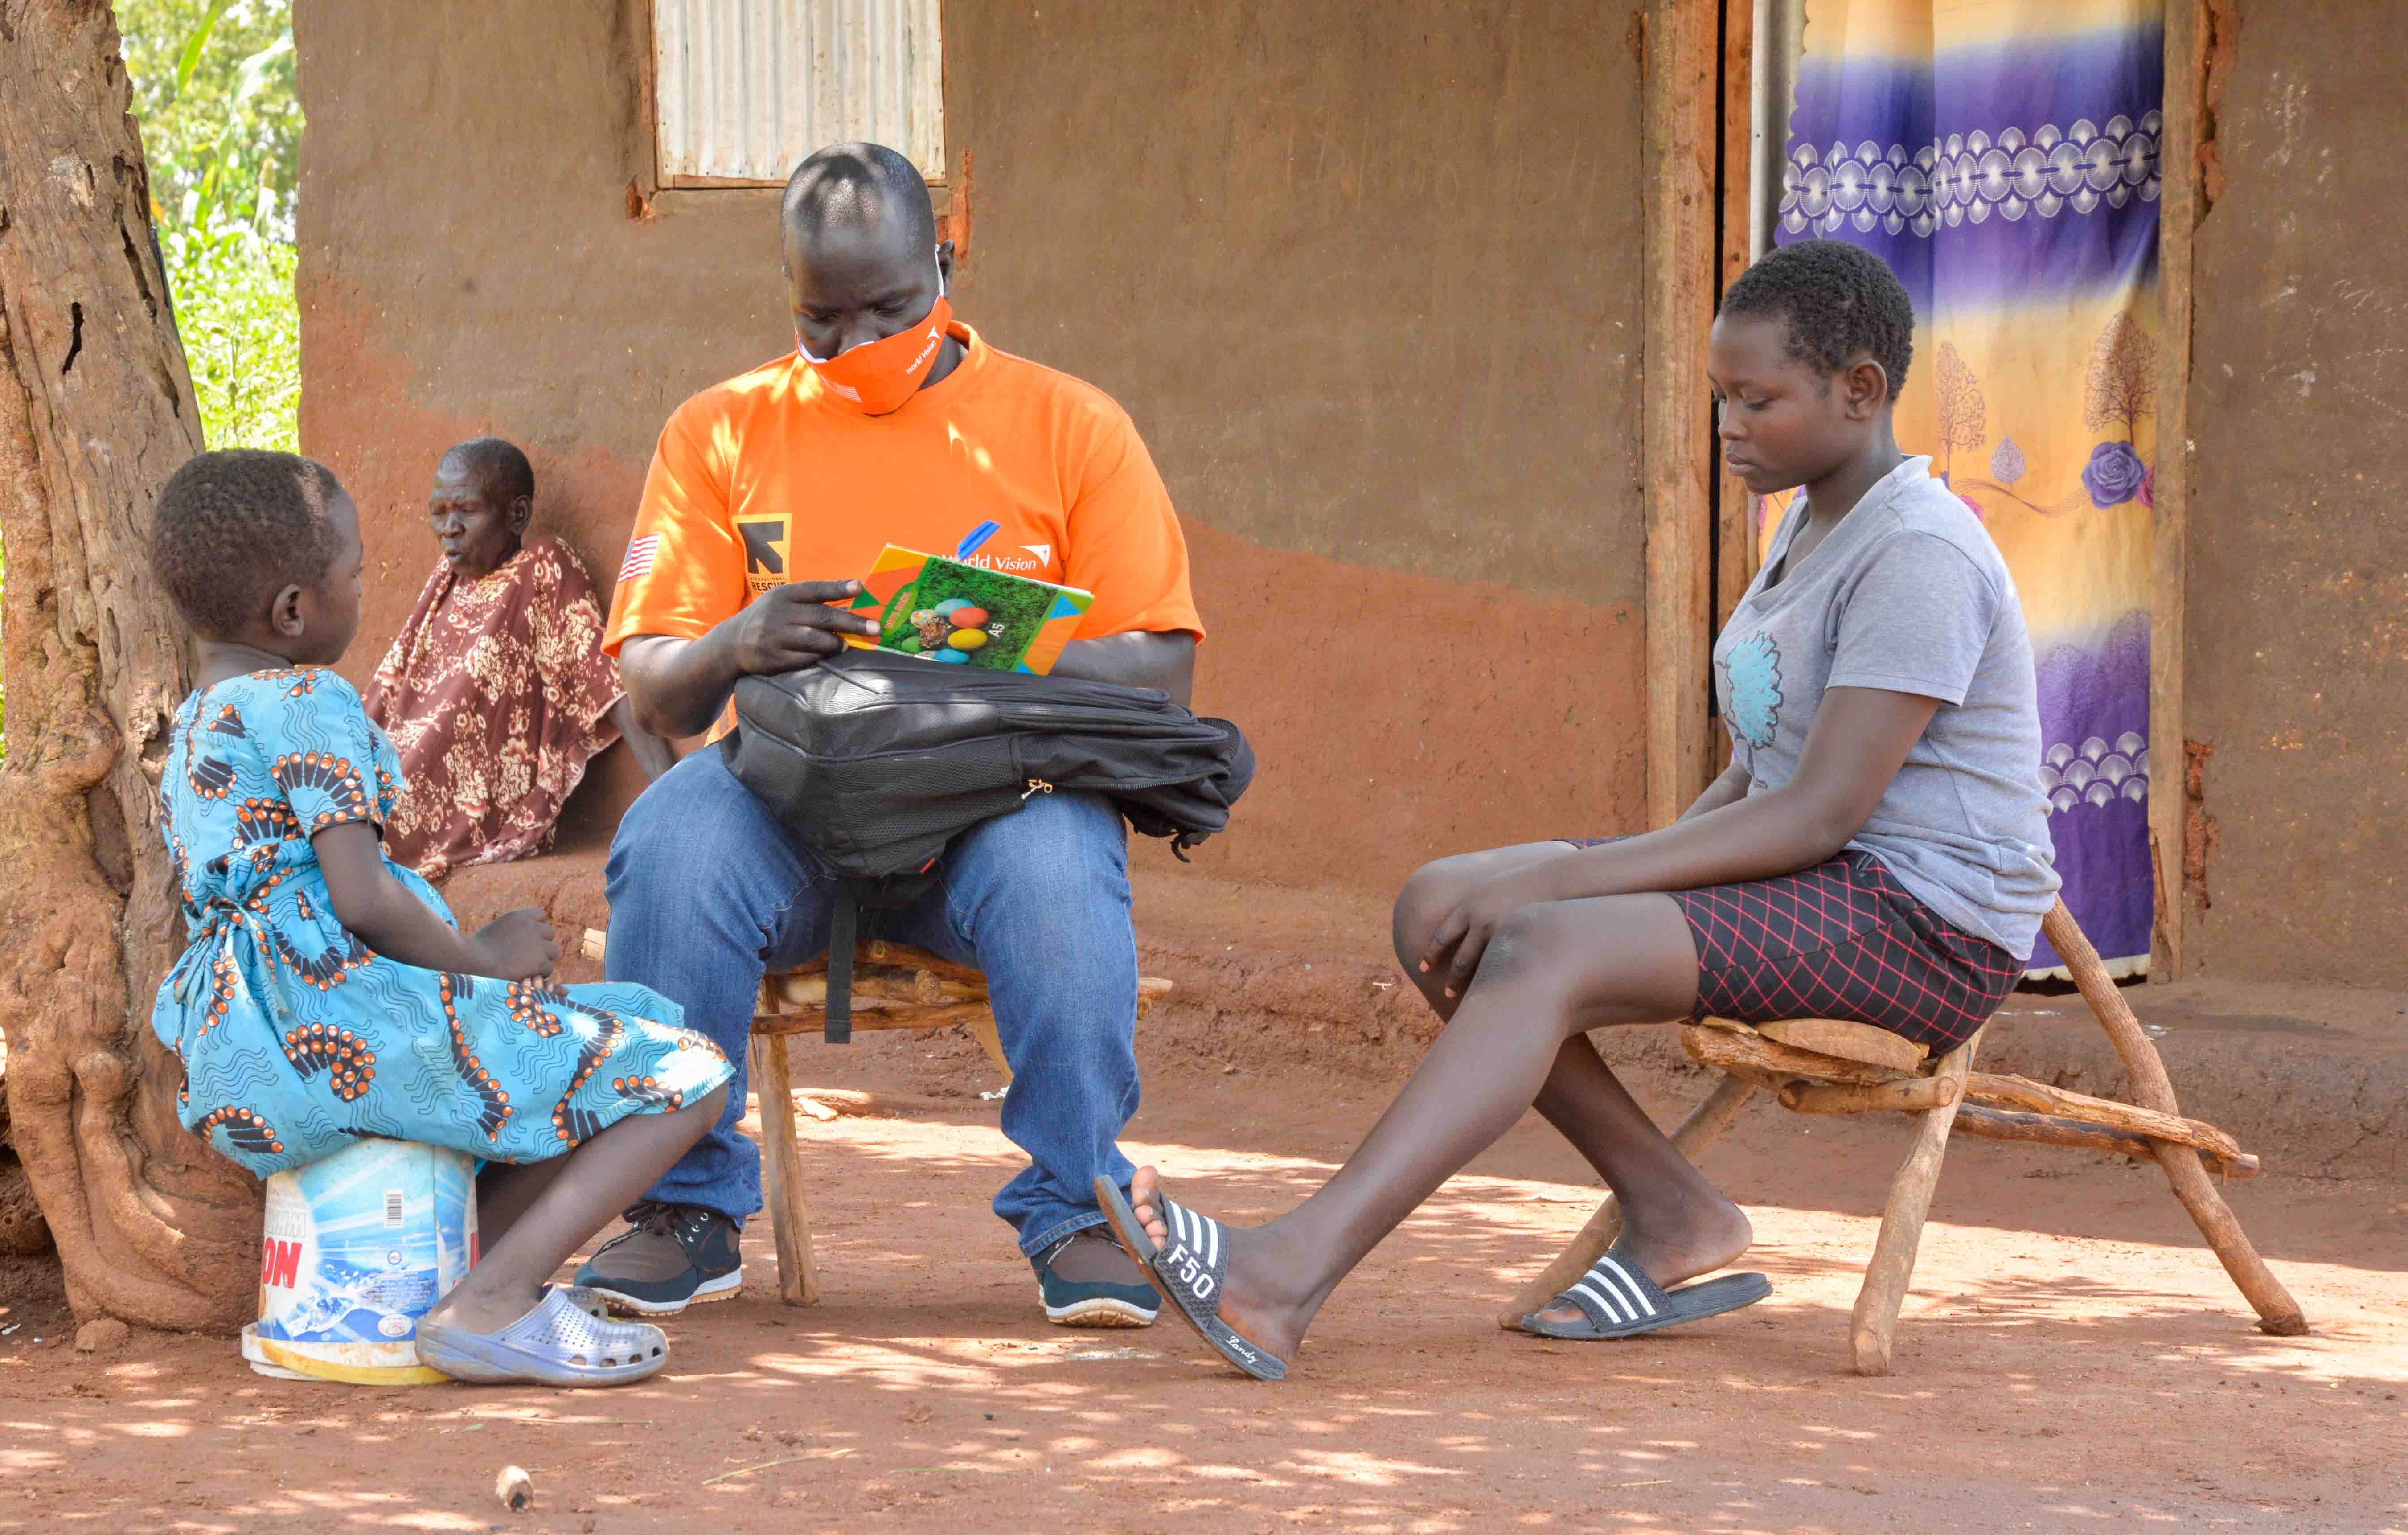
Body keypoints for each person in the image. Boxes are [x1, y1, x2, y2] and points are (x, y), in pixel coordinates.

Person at [1098, 239, 2060, 1378]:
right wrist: (1595, 868)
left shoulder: (1917, 551)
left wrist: (1563, 879)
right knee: (1440, 904)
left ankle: (1282, 1272)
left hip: (1924, 920)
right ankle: (1676, 1211)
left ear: (1859, 389)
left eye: (1759, 399)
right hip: (1828, 878)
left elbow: (1816, 814)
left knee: (1541, 932)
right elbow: (1761, 770)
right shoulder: (1808, 527)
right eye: (1720, 399)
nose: (1729, 426)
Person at [589, 142, 1203, 1326]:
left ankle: (1077, 1206)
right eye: (825, 319)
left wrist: (978, 638)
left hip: (991, 810)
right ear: (786, 292)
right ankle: (683, 1206)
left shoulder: (1068, 426)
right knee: (672, 843)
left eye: (892, 306)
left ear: (947, 261)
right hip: (785, 808)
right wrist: (737, 642)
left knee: (1062, 867)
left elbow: (1163, 672)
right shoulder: (721, 431)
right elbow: (654, 688)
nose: (861, 343)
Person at [145, 448, 734, 1386]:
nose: (365, 587)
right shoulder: (306, 697)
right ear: (294, 609)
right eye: (356, 571)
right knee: (688, 1070)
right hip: (337, 1027)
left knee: (632, 1015)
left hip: (237, 1052)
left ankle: (452, 1285)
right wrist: (482, 957)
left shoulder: (195, 723)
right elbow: (360, 893)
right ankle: (497, 1302)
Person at [361, 436, 674, 880]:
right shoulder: (447, 577)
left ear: (517, 514)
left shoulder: (543, 567)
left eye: (466, 510)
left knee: (348, 842)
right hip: (399, 767)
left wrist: (674, 793)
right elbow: (391, 684)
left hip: (459, 801)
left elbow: (607, 683)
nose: (449, 527)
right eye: (438, 511)